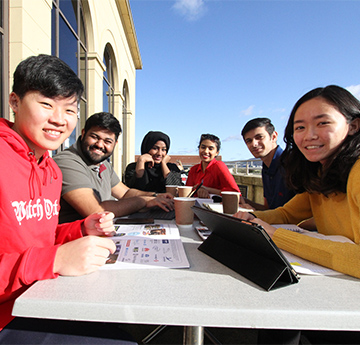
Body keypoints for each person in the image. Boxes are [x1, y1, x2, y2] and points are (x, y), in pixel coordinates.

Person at [0, 54, 136, 344]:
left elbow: (37, 237)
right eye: (46, 104)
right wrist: (57, 258)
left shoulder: (50, 169)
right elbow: (45, 254)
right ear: (15, 102)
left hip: (42, 296)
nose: (59, 120)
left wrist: (82, 229)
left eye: (70, 109)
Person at [235, 85, 360, 344]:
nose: (309, 135)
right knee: (275, 315)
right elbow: (287, 213)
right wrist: (247, 219)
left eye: (322, 122)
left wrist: (275, 235)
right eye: (300, 127)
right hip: (340, 287)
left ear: (354, 126)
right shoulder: (322, 175)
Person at [54, 113, 174, 224]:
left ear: (115, 144)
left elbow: (125, 193)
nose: (100, 145)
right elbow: (95, 211)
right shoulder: (67, 161)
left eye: (108, 141)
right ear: (83, 133)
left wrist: (155, 196)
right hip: (74, 240)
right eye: (95, 137)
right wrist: (145, 201)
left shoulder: (102, 163)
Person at [241, 117, 295, 209]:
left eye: (259, 137)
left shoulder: (291, 164)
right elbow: (269, 209)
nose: (254, 144)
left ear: (273, 136)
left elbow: (304, 214)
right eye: (249, 141)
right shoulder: (266, 168)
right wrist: (243, 201)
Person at [186, 133, 240, 198]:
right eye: (203, 147)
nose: (206, 151)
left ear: (217, 152)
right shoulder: (193, 170)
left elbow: (235, 193)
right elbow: (187, 193)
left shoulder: (219, 166)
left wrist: (207, 190)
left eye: (210, 149)